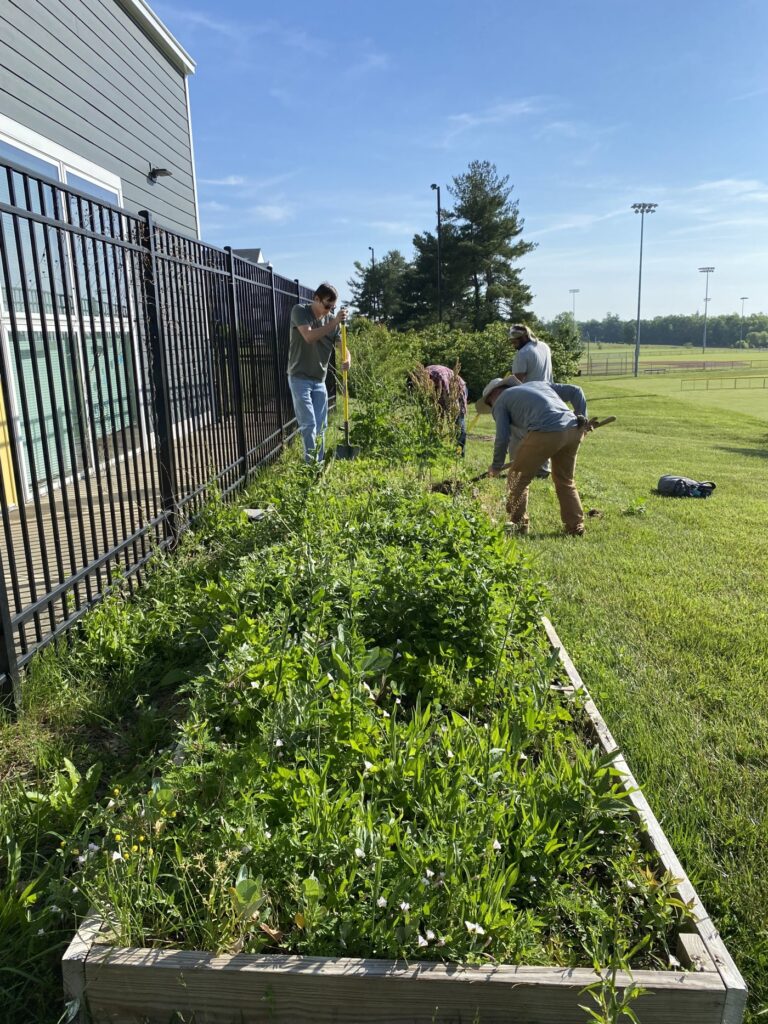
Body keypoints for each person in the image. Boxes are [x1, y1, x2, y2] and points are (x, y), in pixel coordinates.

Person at [476, 376, 588, 537]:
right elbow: (576, 391)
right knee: (565, 480)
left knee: (517, 477)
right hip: (573, 428)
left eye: (489, 404)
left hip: (546, 431)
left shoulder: (500, 402)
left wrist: (496, 465)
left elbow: (502, 437)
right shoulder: (538, 385)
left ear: (493, 395)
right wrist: (582, 418)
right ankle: (575, 526)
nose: (491, 406)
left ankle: (519, 524)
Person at [288, 283, 351, 463]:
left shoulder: (333, 322)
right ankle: (311, 466)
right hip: (299, 377)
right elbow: (309, 337)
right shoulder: (300, 311)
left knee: (321, 426)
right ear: (316, 299)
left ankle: (319, 463)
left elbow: (343, 349)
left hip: (319, 380)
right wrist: (334, 322)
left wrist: (347, 360)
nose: (329, 310)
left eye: (332, 307)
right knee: (309, 425)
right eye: (326, 305)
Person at [507, 323, 554, 477]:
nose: (513, 344)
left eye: (515, 341)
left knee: (517, 434)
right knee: (542, 434)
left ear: (525, 337)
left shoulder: (523, 354)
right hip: (547, 396)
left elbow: (517, 381)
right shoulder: (544, 347)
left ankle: (517, 468)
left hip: (529, 399)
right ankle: (543, 469)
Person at [423, 364, 469, 455]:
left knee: (458, 422)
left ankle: (459, 453)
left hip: (457, 390)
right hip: (442, 390)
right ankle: (432, 449)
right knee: (431, 421)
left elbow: (448, 397)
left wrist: (444, 415)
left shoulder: (439, 376)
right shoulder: (424, 377)